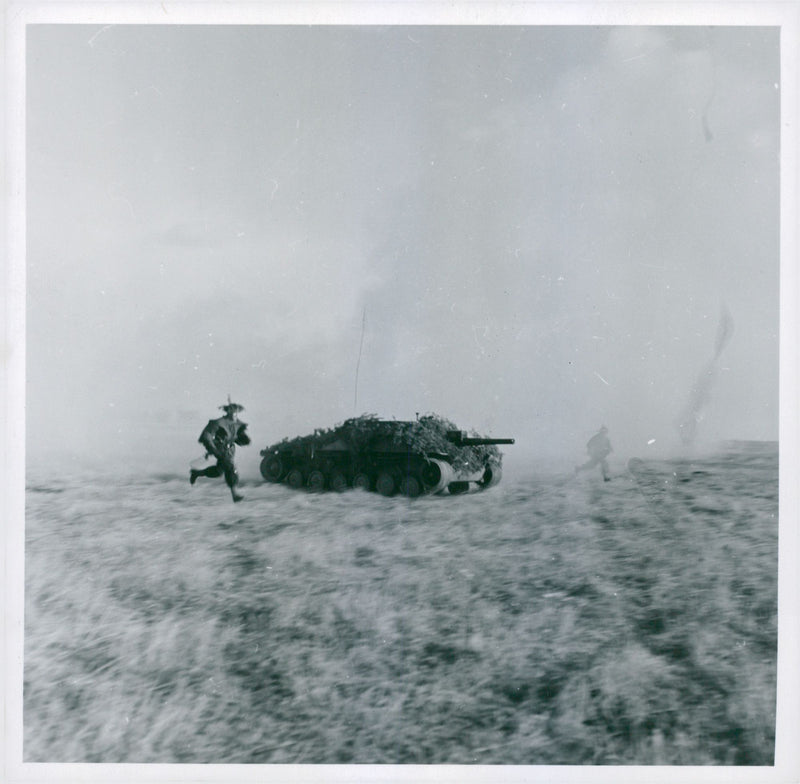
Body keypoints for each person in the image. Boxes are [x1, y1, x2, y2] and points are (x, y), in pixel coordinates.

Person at [190, 400, 251, 502]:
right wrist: (212, 449)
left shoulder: (237, 423)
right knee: (230, 468)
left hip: (230, 450)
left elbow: (237, 436)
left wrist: (243, 438)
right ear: (227, 412)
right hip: (219, 448)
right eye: (232, 412)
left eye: (236, 413)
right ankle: (235, 494)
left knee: (218, 472)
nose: (235, 415)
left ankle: (196, 473)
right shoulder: (218, 422)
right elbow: (207, 435)